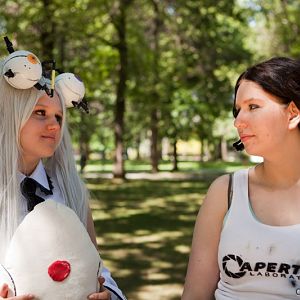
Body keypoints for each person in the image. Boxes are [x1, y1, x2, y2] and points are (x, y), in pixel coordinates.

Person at [0, 41, 126, 300]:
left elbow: (96, 268)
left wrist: (109, 295)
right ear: (11, 113)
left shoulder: (71, 192)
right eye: (40, 113)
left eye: (58, 117)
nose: (54, 126)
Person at [182, 57, 300, 299]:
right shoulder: (225, 192)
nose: (238, 122)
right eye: (237, 110)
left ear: (293, 113)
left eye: (253, 107)